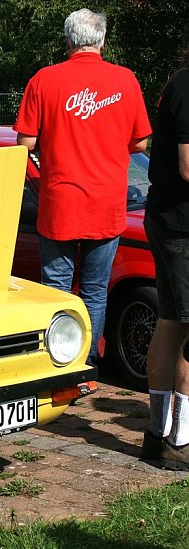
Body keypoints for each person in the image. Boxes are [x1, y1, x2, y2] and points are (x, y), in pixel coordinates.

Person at [13, 8, 151, 366]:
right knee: (94, 291)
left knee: (55, 289)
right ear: (102, 41)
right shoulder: (125, 79)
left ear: (67, 40)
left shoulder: (44, 80)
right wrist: (107, 142)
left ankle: (55, 363)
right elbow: (141, 144)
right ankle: (86, 363)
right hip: (107, 202)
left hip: (60, 201)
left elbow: (24, 143)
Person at [142, 48, 189, 469]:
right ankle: (177, 438)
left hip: (173, 221)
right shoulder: (187, 86)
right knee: (182, 324)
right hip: (179, 226)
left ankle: (161, 434)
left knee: (174, 322)